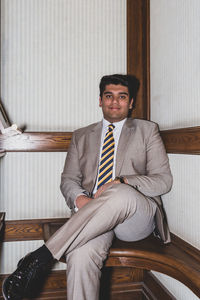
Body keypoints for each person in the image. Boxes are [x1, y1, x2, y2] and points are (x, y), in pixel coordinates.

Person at [2, 74, 173, 300]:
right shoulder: (81, 136)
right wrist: (80, 200)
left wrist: (122, 181)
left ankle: (40, 258)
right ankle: (39, 261)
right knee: (80, 256)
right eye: (108, 96)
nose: (114, 101)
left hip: (135, 217)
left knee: (120, 193)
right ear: (100, 100)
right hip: (92, 216)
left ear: (131, 103)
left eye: (122, 97)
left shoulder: (147, 130)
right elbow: (68, 179)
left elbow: (163, 180)